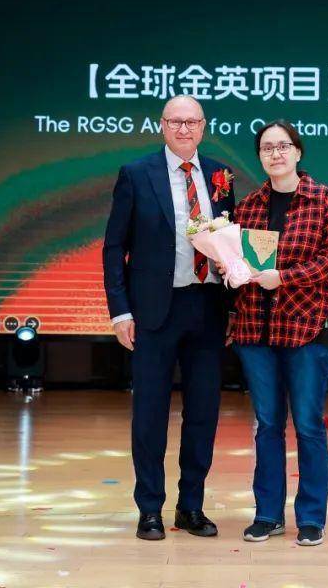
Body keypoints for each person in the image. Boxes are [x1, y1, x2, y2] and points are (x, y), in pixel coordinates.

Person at [102, 95, 237, 540]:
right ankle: (149, 508)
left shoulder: (220, 176)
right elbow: (114, 248)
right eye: (175, 121)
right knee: (149, 414)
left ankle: (191, 506)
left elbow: (230, 241)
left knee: (203, 413)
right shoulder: (136, 174)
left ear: (203, 127)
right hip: (153, 311)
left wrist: (233, 291)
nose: (184, 129)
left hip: (208, 308)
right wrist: (121, 311)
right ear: (162, 125)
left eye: (192, 122)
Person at [227, 119, 328, 546]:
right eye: (266, 148)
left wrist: (284, 278)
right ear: (259, 157)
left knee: (309, 426)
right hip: (256, 331)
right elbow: (239, 262)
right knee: (267, 425)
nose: (275, 154)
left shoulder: (324, 200)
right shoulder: (249, 206)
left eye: (282, 146)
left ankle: (311, 518)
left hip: (307, 329)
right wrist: (230, 267)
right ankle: (267, 514)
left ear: (298, 152)